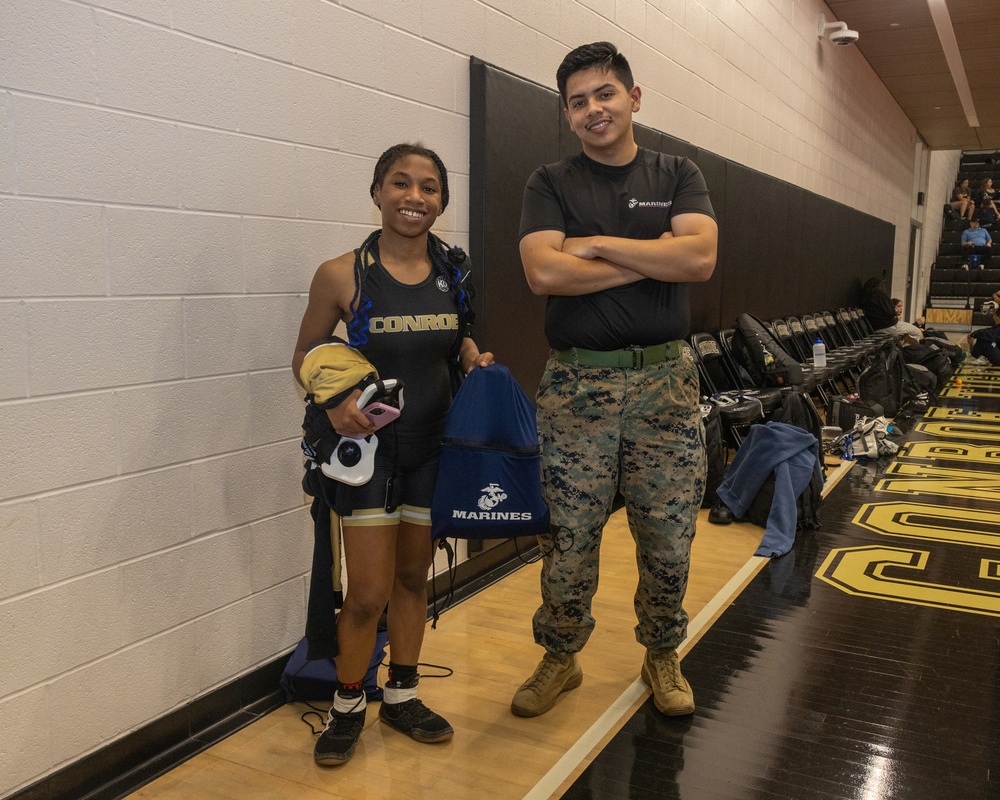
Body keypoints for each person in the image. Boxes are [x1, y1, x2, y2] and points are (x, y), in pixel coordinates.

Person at [512, 41, 718, 719]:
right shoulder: (550, 183)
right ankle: (561, 655)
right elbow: (543, 273)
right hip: (577, 390)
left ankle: (662, 653)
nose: (593, 109)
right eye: (578, 101)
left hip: (665, 387)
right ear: (567, 114)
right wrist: (656, 258)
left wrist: (595, 245)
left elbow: (700, 258)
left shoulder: (678, 171)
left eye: (605, 94)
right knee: (569, 539)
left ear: (633, 98)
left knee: (667, 536)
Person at [292, 143, 493, 766]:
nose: (415, 197)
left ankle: (402, 694)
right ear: (376, 192)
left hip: (432, 450)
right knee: (367, 592)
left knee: (412, 578)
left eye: (429, 187)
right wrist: (333, 406)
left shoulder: (454, 271)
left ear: (442, 202)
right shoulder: (340, 274)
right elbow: (304, 359)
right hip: (368, 454)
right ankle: (348, 705)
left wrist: (472, 361)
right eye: (400, 183)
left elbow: (459, 339)